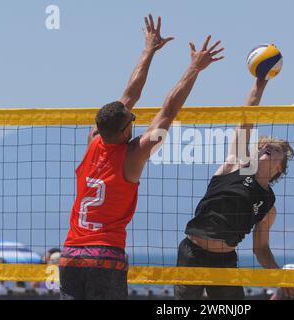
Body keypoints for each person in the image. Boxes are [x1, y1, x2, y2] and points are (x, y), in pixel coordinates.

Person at [59, 14, 224, 300]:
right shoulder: (134, 154)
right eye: (131, 121)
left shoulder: (93, 138)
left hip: (71, 255)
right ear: (124, 131)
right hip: (105, 254)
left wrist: (148, 50)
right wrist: (194, 67)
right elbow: (168, 111)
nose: (134, 120)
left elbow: (128, 95)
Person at [175, 78, 294, 300]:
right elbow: (246, 117)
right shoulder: (234, 163)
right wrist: (260, 83)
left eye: (274, 148)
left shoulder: (268, 206)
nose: (266, 147)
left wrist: (280, 277)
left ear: (279, 167)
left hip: (225, 262)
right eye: (262, 146)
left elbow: (261, 250)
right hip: (193, 253)